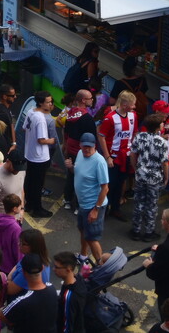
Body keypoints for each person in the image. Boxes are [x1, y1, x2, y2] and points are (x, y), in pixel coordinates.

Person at [66, 133, 109, 263]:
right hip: (83, 204)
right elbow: (77, 172)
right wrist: (71, 167)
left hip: (93, 205)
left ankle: (101, 266)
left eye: (89, 147)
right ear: (80, 145)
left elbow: (105, 188)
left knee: (91, 237)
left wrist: (96, 209)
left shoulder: (99, 162)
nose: (86, 149)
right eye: (84, 146)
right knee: (83, 230)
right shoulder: (80, 154)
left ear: (94, 146)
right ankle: (84, 256)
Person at [98, 90, 138, 222]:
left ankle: (115, 208)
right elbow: (101, 136)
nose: (134, 107)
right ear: (125, 104)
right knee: (109, 184)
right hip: (114, 158)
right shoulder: (110, 118)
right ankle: (103, 209)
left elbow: (134, 134)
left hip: (126, 157)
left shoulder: (133, 116)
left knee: (121, 183)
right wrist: (107, 156)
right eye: (132, 105)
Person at [130, 113, 169, 242]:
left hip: (141, 175)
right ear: (158, 127)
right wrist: (166, 177)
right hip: (155, 177)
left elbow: (132, 154)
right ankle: (148, 232)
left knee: (139, 202)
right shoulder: (162, 142)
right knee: (151, 205)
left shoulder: (139, 137)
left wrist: (136, 168)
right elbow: (164, 162)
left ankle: (135, 230)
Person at [0, 253, 57, 332]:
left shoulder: (21, 301)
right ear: (42, 268)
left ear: (23, 272)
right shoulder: (52, 289)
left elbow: (1, 314)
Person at [22, 91, 56, 218]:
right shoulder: (41, 119)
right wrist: (52, 140)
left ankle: (29, 204)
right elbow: (41, 140)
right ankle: (37, 208)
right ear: (41, 103)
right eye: (48, 102)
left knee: (30, 180)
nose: (50, 104)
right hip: (40, 156)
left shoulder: (31, 111)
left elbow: (24, 127)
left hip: (30, 153)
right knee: (38, 184)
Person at [63, 89, 97, 211]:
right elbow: (92, 138)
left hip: (70, 149)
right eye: (90, 98)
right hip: (82, 152)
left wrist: (65, 146)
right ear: (83, 100)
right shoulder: (87, 118)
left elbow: (66, 132)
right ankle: (78, 205)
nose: (92, 100)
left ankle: (67, 199)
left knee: (70, 175)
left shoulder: (71, 113)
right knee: (82, 178)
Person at [0, 149, 26, 245]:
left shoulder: (21, 170)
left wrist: (22, 209)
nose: (17, 171)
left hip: (17, 219)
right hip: (2, 223)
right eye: (15, 167)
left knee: (15, 248)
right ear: (8, 161)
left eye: (19, 168)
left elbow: (21, 190)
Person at [54, 251, 87, 333]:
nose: (53, 269)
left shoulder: (69, 296)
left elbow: (67, 325)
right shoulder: (78, 279)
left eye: (57, 267)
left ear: (68, 269)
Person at [0, 193, 23, 274]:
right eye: (20, 206)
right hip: (10, 265)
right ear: (14, 209)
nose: (21, 208)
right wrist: (20, 264)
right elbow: (17, 249)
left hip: (0, 260)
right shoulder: (15, 228)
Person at [0, 84, 18, 148]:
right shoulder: (1, 114)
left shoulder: (5, 106)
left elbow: (11, 124)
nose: (15, 97)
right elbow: (2, 134)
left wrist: (14, 142)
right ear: (5, 97)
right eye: (12, 95)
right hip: (4, 146)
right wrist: (12, 145)